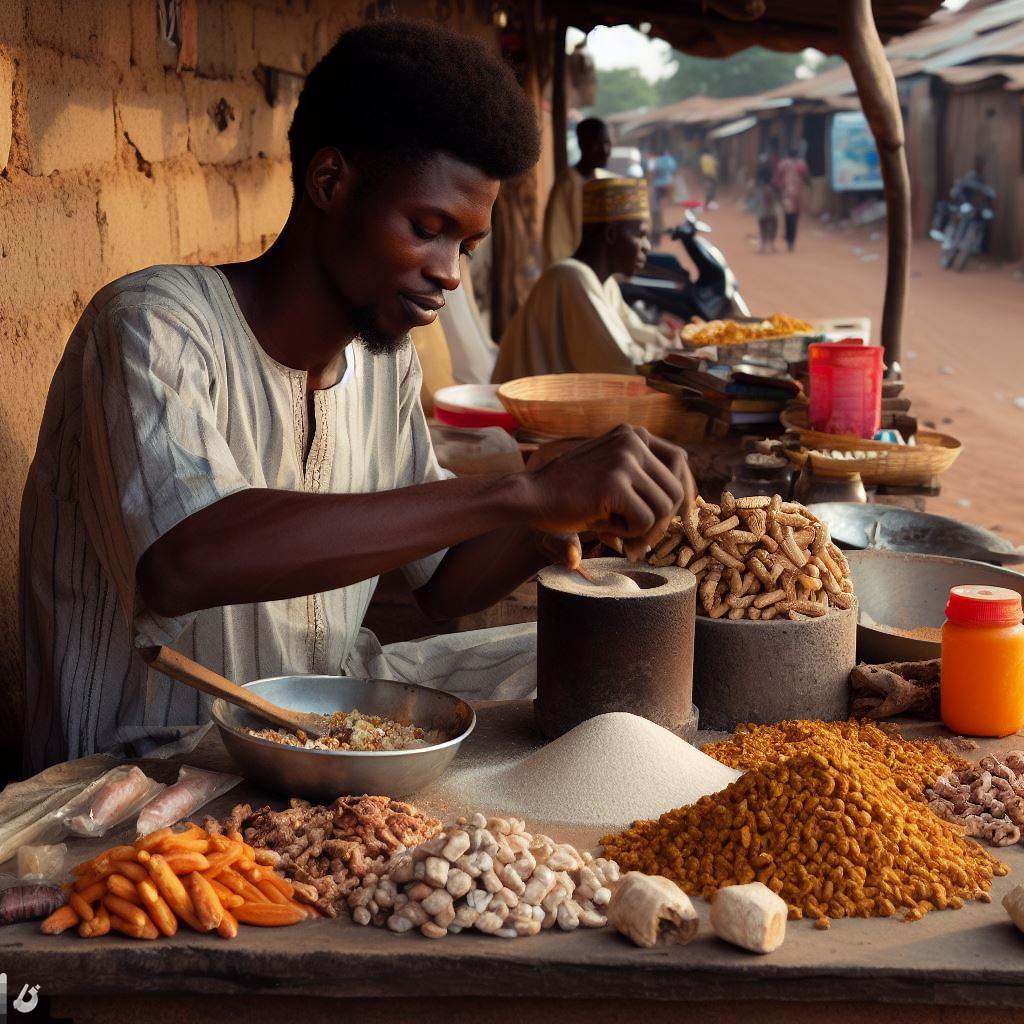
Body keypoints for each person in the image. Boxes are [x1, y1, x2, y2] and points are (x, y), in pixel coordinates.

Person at [20, 22, 695, 772]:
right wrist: (521, 488)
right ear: (329, 182)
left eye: (465, 247)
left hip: (327, 743)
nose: (450, 274)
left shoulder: (385, 365)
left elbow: (442, 582)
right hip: (152, 771)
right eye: (428, 229)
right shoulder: (155, 324)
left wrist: (558, 516)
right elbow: (185, 561)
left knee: (581, 674)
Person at [492, 177, 676, 383]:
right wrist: (672, 356)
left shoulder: (607, 285)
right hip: (519, 412)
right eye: (640, 234)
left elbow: (637, 333)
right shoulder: (571, 277)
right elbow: (622, 364)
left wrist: (673, 339)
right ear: (611, 234)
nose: (646, 246)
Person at [541, 117, 613, 267]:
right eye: (597, 144)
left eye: (607, 144)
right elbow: (556, 243)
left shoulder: (600, 181)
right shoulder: (567, 185)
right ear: (582, 144)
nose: (604, 151)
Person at [772, 146, 810, 252]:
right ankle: (791, 241)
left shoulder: (783, 164)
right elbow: (806, 177)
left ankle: (789, 239)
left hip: (786, 195)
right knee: (794, 218)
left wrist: (778, 192)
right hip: (798, 195)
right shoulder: (801, 164)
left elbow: (776, 180)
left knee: (787, 217)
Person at [751, 156, 779, 254]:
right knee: (772, 223)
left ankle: (764, 245)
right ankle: (771, 244)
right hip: (769, 210)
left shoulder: (758, 188)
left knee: (763, 224)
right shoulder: (771, 188)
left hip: (762, 210)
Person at [649, 148, 678, 238]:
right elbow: (674, 171)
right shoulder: (670, 160)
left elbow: (651, 172)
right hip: (668, 184)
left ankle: (658, 227)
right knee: (667, 205)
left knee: (656, 206)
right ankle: (665, 227)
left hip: (657, 185)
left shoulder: (655, 161)